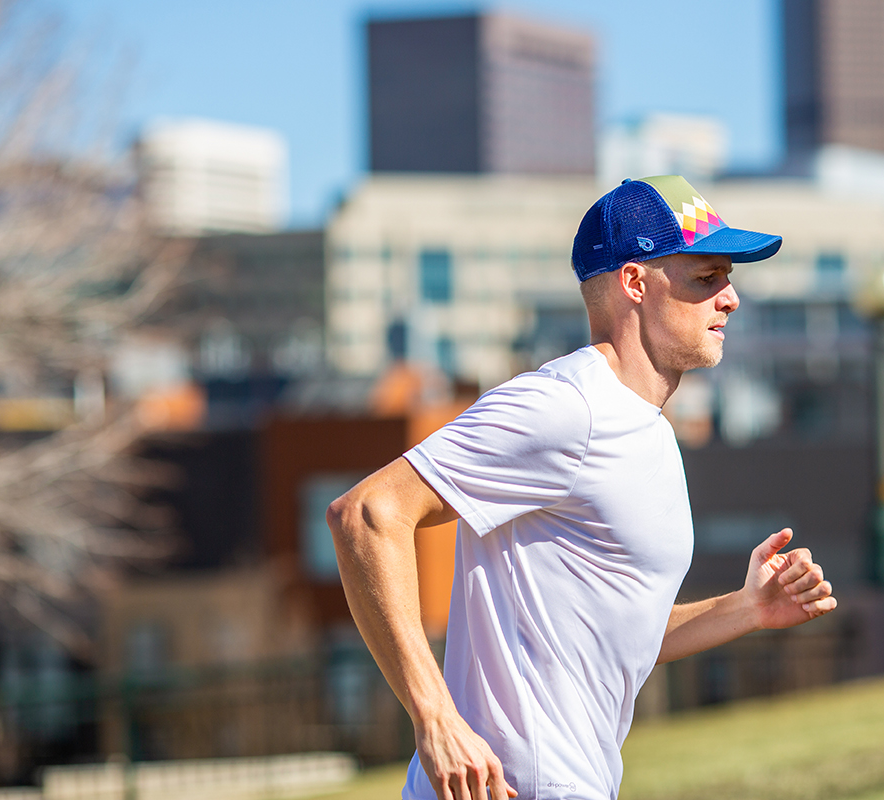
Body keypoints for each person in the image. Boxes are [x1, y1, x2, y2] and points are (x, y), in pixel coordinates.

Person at [327, 176, 837, 800]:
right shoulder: (565, 407)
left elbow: (614, 634)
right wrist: (435, 718)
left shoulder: (648, 430)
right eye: (706, 279)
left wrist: (745, 608)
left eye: (728, 278)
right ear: (634, 283)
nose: (730, 299)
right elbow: (367, 515)